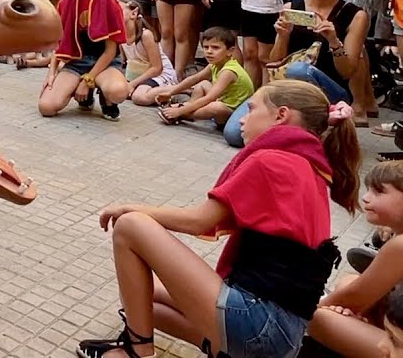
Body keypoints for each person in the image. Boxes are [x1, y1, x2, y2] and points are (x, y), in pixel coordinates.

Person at [76, 80, 359, 358]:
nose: (242, 120)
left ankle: (136, 350)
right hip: (285, 336)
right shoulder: (309, 165)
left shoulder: (272, 161)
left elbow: (200, 221)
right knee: (143, 296)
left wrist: (129, 208)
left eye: (250, 109)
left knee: (130, 226)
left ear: (281, 115)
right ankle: (219, 351)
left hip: (261, 325)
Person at [303, 160, 403, 357]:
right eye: (368, 190)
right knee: (348, 280)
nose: (365, 198)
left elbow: (354, 298)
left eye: (379, 192)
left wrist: (315, 309)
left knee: (316, 317)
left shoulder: (399, 246)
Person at [270, 0, 368, 108]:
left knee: (299, 70)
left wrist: (333, 41)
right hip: (288, 86)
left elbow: (347, 72)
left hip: (331, 89)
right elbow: (275, 61)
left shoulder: (354, 15)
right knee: (234, 130)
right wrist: (282, 36)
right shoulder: (291, 8)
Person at [39, 0, 127, 120]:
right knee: (46, 107)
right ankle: (82, 93)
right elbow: (59, 45)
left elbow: (110, 51)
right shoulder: (66, 2)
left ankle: (106, 98)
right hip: (76, 60)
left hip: (104, 60)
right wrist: (51, 74)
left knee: (118, 91)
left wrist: (88, 80)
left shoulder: (112, 5)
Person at [152, 27, 254, 131]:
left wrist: (180, 111)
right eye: (206, 47)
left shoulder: (229, 71)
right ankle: (185, 108)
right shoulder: (215, 64)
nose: (209, 51)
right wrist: (170, 92)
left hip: (233, 115)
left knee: (216, 107)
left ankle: (182, 114)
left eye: (215, 48)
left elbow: (209, 98)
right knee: (203, 83)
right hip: (223, 101)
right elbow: (195, 79)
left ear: (230, 51)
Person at [122, 0, 177, 106]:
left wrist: (133, 83)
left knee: (139, 97)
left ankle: (180, 89)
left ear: (133, 13)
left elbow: (157, 68)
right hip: (139, 75)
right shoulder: (121, 34)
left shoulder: (146, 35)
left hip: (160, 75)